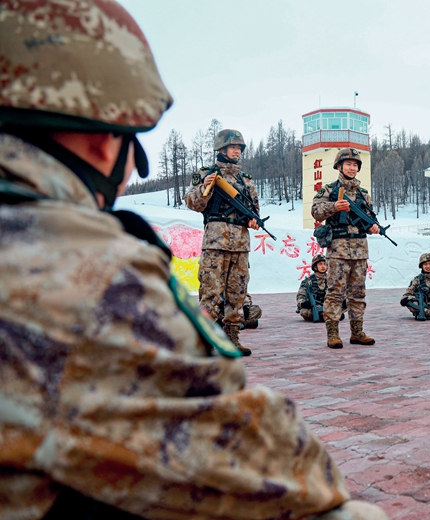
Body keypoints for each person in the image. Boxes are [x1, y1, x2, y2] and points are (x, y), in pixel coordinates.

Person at [0, 2, 386, 519]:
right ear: (104, 138)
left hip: (246, 241)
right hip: (223, 241)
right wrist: (213, 186)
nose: (236, 154)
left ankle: (237, 334)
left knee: (238, 294)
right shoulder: (95, 264)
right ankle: (290, 332)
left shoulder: (254, 182)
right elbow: (261, 457)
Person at [184, 129, 260, 356]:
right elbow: (193, 203)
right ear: (221, 149)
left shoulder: (245, 180)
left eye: (239, 148)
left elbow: (254, 211)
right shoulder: (205, 174)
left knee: (237, 293)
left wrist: (254, 221)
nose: (237, 151)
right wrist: (204, 187)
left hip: (240, 246)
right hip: (215, 244)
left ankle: (232, 339)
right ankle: (204, 341)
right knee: (210, 293)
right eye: (233, 147)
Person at [311, 148, 379, 349]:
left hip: (360, 250)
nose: (352, 168)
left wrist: (374, 227)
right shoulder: (329, 190)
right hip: (338, 250)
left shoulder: (363, 194)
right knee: (335, 292)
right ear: (339, 166)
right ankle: (332, 333)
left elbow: (370, 218)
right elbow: (315, 211)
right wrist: (334, 207)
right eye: (348, 164)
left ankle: (357, 332)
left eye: (355, 165)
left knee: (358, 293)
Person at [400, 253, 430, 320]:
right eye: (425, 264)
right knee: (409, 301)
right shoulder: (417, 279)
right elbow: (407, 294)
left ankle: (427, 314)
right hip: (422, 306)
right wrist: (406, 300)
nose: (428, 266)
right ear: (421, 266)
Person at [297, 254, 328, 322]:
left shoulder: (331, 280)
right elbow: (300, 296)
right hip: (313, 307)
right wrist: (304, 303)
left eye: (325, 264)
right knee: (304, 312)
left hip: (327, 305)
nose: (323, 266)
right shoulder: (308, 281)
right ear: (315, 267)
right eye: (320, 264)